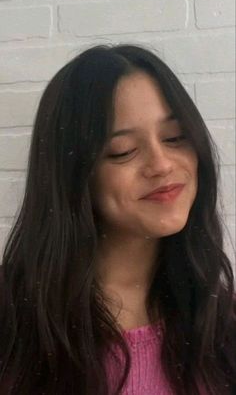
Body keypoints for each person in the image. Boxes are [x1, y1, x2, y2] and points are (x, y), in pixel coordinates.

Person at [0, 44, 235, 395]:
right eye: (123, 151)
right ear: (74, 175)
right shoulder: (16, 331)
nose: (162, 164)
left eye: (174, 137)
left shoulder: (220, 320)